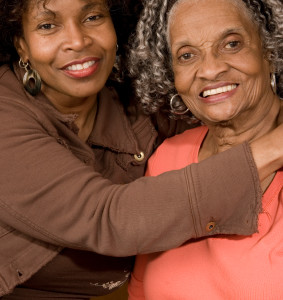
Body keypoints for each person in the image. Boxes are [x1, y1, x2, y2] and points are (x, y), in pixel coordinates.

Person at [0, 0, 282, 299]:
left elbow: (225, 104)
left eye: (93, 16)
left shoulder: (141, 110)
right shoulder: (7, 117)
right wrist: (274, 146)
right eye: (47, 25)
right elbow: (110, 219)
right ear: (22, 46)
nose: (77, 41)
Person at [127, 0, 283, 299]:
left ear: (270, 51)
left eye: (232, 44)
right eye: (187, 55)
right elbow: (140, 288)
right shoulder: (167, 159)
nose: (210, 69)